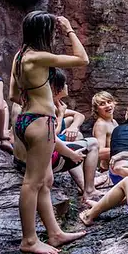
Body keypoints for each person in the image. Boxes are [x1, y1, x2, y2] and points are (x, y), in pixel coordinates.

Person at [9, 11, 88, 254]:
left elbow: (13, 95)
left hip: (25, 120)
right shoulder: (39, 57)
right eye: (51, 30)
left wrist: (33, 100)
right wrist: (69, 29)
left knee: (45, 182)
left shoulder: (19, 57)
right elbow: (82, 59)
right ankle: (29, 240)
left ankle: (54, 233)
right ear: (42, 32)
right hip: (41, 123)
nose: (54, 33)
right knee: (32, 183)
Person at [46, 69, 101, 202]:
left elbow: (79, 115)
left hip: (43, 153)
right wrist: (60, 115)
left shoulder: (55, 104)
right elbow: (50, 136)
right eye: (64, 84)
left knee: (75, 130)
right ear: (56, 87)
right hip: (46, 159)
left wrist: (74, 127)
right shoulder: (49, 107)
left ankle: (84, 184)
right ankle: (88, 189)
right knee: (93, 143)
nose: (67, 86)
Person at [91, 91, 119, 168]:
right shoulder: (101, 124)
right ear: (96, 109)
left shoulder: (114, 122)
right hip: (107, 168)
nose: (107, 105)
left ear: (114, 103)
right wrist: (123, 150)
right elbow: (99, 152)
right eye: (102, 104)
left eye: (109, 102)